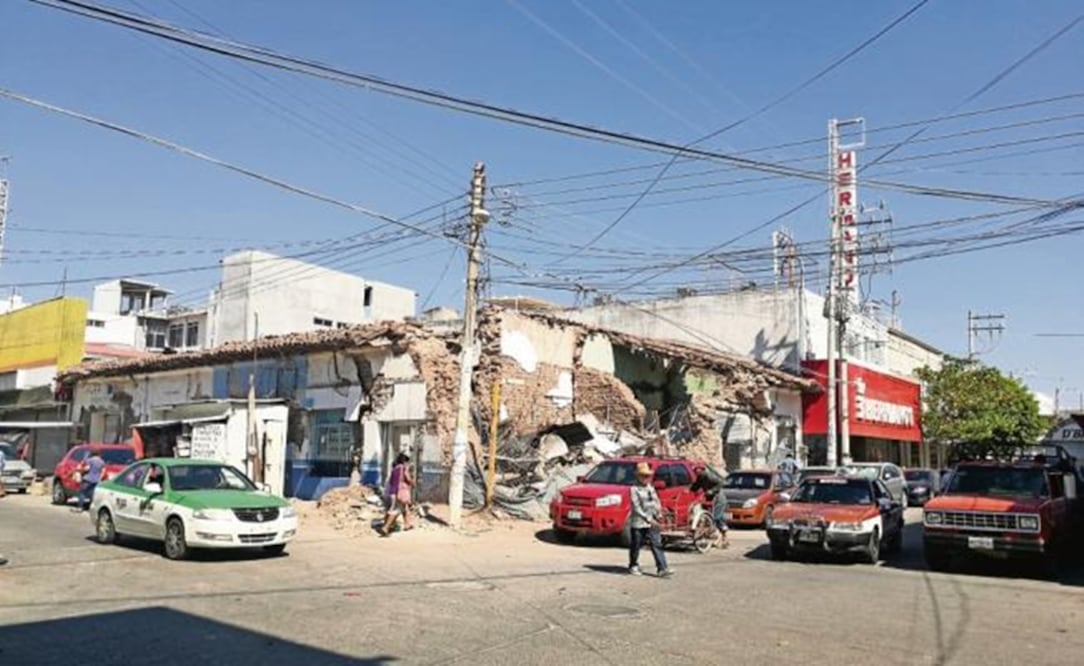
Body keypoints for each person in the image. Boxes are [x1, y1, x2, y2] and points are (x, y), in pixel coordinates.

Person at [628, 462, 673, 578]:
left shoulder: (650, 488)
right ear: (638, 476)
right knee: (636, 544)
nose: (646, 478)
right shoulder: (634, 489)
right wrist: (648, 519)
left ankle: (662, 568)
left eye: (647, 476)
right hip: (639, 521)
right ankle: (633, 565)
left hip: (652, 520)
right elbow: (636, 506)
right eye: (643, 475)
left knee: (656, 543)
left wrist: (658, 513)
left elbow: (655, 501)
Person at [690, 466, 728, 545]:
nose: (697, 472)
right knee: (708, 517)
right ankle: (718, 535)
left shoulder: (709, 476)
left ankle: (723, 535)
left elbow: (721, 482)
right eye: (695, 471)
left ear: (702, 470)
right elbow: (696, 486)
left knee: (716, 517)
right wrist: (689, 490)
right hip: (708, 499)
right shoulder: (700, 478)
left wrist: (712, 491)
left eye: (698, 470)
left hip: (718, 499)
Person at [379, 453, 414, 537]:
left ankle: (407, 524)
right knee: (396, 510)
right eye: (407, 462)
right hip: (398, 492)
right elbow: (407, 478)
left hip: (392, 492)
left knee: (403, 508)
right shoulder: (403, 468)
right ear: (404, 461)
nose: (407, 464)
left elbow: (391, 481)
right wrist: (412, 482)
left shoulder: (394, 469)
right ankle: (386, 527)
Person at [75, 446, 106, 513]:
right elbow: (103, 472)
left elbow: (87, 468)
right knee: (93, 494)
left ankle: (80, 507)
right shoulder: (102, 462)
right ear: (99, 454)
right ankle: (91, 508)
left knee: (82, 492)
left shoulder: (90, 460)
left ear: (92, 453)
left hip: (88, 479)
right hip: (96, 480)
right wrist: (100, 479)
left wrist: (80, 470)